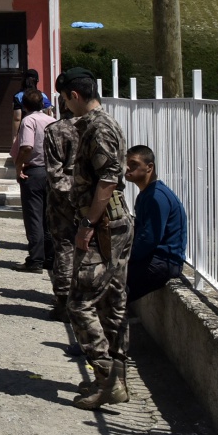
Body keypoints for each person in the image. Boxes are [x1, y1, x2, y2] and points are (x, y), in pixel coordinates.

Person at [62, 69, 134, 410]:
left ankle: (108, 379)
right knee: (112, 302)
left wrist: (88, 222)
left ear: (74, 95)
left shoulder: (99, 127)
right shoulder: (100, 123)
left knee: (79, 303)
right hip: (113, 222)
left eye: (65, 98)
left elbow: (107, 178)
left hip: (104, 224)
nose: (64, 104)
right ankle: (116, 378)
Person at [43, 71, 84, 319]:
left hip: (62, 197)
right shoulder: (95, 126)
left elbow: (53, 170)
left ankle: (64, 299)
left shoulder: (55, 130)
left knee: (65, 248)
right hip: (90, 196)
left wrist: (65, 191)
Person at [126, 145, 186, 301]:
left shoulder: (156, 197)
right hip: (154, 258)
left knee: (114, 290)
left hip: (164, 262)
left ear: (149, 167)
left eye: (134, 164)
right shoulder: (146, 195)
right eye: (126, 163)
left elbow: (150, 238)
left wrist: (128, 258)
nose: (127, 168)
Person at [12, 89, 53, 272]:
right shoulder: (52, 121)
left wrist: (19, 165)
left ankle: (35, 259)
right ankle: (50, 257)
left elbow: (27, 146)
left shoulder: (29, 120)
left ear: (25, 106)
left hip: (34, 170)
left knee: (34, 217)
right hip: (52, 172)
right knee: (48, 217)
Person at [11, 69, 43, 141]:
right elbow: (48, 113)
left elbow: (17, 118)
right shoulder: (42, 96)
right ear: (37, 81)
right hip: (40, 131)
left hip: (24, 130)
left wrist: (15, 136)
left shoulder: (18, 96)